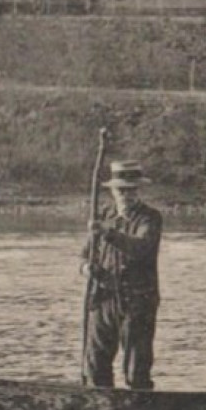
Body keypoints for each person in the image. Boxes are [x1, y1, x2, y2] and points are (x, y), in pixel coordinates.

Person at [82, 160, 163, 390]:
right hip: (103, 298)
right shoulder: (103, 216)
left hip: (138, 301)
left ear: (138, 190)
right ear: (113, 191)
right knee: (96, 364)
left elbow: (141, 248)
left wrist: (108, 233)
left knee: (136, 370)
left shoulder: (150, 218)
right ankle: (101, 409)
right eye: (121, 190)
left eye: (131, 189)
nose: (126, 195)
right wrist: (86, 269)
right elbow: (85, 255)